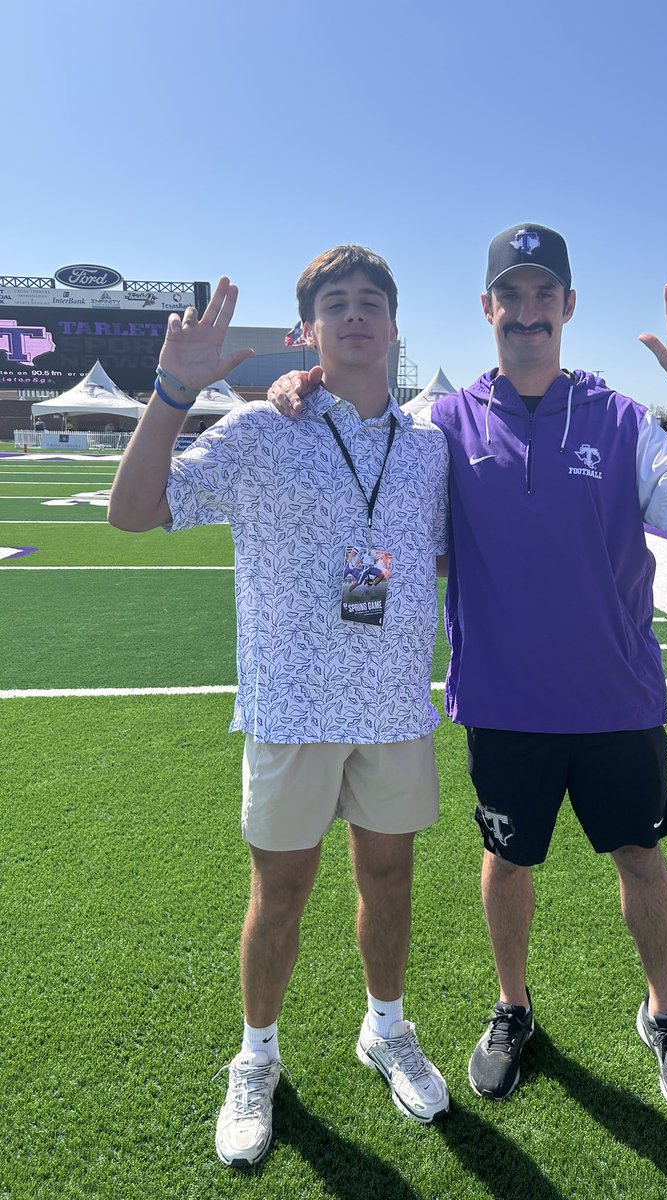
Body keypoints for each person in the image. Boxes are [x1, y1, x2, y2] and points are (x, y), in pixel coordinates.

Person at [269, 223, 667, 1118]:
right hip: (505, 703)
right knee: (506, 860)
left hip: (616, 699)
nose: (528, 314)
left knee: (640, 857)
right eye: (511, 296)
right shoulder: (441, 423)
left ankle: (663, 1013)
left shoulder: (620, 416)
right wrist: (309, 382)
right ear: (487, 307)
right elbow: (365, 439)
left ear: (568, 306)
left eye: (544, 295)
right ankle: (513, 1008)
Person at [108, 246, 451, 1168]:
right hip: (291, 708)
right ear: (308, 329)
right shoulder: (263, 430)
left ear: (392, 321)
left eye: (370, 301)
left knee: (389, 880)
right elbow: (133, 512)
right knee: (282, 892)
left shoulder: (430, 447)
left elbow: (450, 556)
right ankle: (255, 1055)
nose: (353, 315)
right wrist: (172, 393)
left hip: (391, 708)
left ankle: (386, 1027)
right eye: (333, 303)